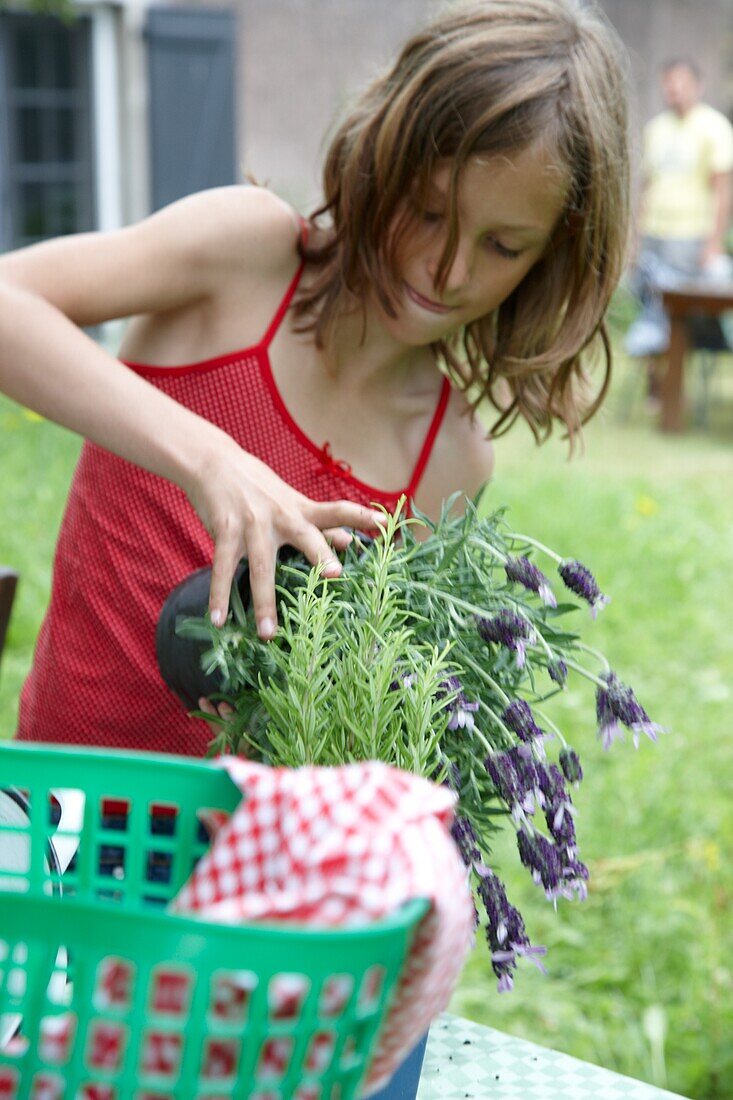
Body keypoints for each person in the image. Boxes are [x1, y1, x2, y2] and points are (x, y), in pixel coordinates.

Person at [0, 0, 631, 757]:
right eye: (429, 212)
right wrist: (212, 460)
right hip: (63, 817)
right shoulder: (248, 255)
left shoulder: (446, 457)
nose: (448, 269)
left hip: (241, 864)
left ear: (550, 258)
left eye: (501, 245)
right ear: (385, 155)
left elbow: (345, 697)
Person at [625, 58, 733, 371]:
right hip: (654, 235)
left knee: (681, 314)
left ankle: (676, 379)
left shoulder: (713, 127)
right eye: (669, 82)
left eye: (681, 81)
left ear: (697, 86)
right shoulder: (656, 129)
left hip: (690, 239)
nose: (674, 89)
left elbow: (722, 189)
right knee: (649, 310)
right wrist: (635, 235)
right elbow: (645, 188)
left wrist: (714, 241)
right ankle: (654, 383)